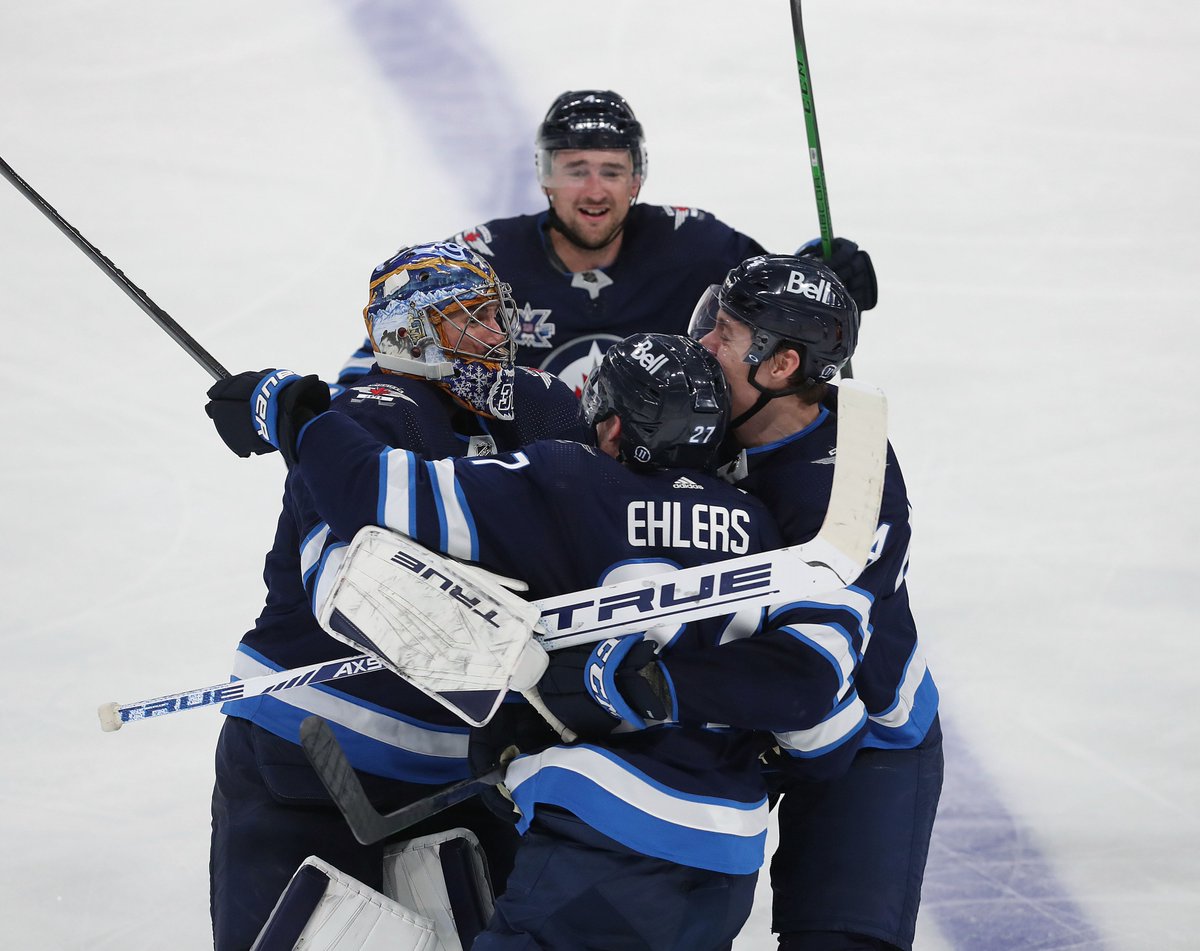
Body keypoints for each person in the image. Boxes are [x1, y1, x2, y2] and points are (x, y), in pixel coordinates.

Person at [209, 331, 874, 950]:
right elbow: (828, 730)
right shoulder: (764, 529)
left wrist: (293, 413)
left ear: (612, 425)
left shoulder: (568, 480)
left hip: (597, 848)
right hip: (726, 871)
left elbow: (374, 491)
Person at [199, 241, 590, 950]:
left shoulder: (539, 407)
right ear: (411, 335)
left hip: (455, 773)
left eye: (495, 316)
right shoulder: (377, 415)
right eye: (470, 320)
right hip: (311, 759)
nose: (498, 336)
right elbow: (356, 590)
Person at [691, 253, 943, 951]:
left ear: (780, 367)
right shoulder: (710, 407)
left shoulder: (849, 488)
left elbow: (812, 679)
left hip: (867, 736)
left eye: (727, 334)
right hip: (747, 714)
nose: (704, 343)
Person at [337, 89, 878, 394]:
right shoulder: (485, 260)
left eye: (612, 171)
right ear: (545, 177)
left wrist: (826, 275)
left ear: (637, 179)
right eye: (575, 169)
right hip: (519, 485)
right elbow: (382, 361)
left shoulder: (697, 246)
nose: (594, 191)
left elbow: (784, 308)